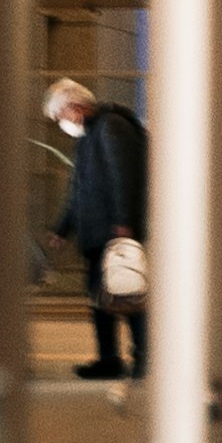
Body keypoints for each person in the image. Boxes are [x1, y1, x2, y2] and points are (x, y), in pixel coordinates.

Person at [51, 72, 148, 380]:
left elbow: (123, 176)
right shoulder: (91, 136)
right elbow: (80, 190)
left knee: (129, 291)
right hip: (98, 232)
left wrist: (124, 223)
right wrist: (62, 228)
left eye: (60, 115)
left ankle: (142, 357)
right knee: (102, 299)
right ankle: (109, 359)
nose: (61, 122)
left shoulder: (110, 127)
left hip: (113, 231)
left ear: (75, 106)